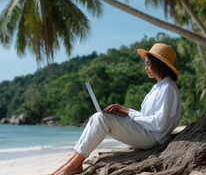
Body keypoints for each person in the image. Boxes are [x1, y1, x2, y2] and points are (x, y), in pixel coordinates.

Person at [52, 43, 182, 175]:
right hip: (147, 133)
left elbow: (158, 124)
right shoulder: (159, 86)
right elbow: (147, 117)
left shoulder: (167, 88)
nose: (145, 67)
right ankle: (71, 162)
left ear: (159, 64)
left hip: (152, 138)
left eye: (148, 64)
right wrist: (125, 111)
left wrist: (127, 112)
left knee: (101, 118)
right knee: (96, 117)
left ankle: (75, 164)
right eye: (145, 64)